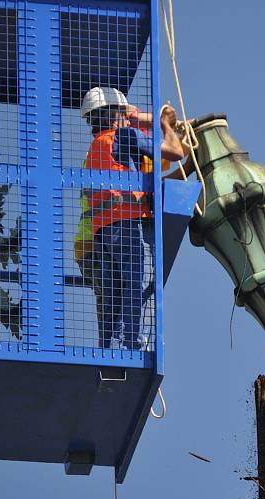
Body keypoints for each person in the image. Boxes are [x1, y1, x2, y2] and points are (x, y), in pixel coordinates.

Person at [75, 87, 184, 350]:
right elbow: (176, 152)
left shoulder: (96, 148)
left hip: (102, 232)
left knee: (113, 291)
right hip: (126, 224)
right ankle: (132, 343)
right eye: (124, 113)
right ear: (115, 114)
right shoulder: (125, 136)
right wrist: (166, 125)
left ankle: (109, 347)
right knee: (135, 285)